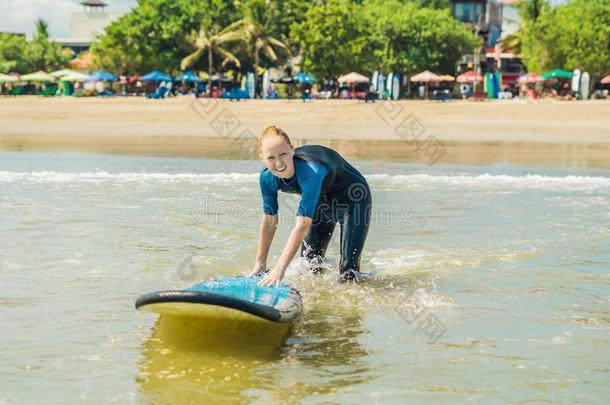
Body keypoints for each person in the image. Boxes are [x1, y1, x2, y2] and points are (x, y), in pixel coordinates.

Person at [249, 125, 372, 286]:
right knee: (310, 265)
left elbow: (301, 226)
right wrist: (260, 264)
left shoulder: (311, 172)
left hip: (354, 200)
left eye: (283, 154)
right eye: (271, 158)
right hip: (321, 204)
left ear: (292, 151)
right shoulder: (266, 178)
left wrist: (279, 269)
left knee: (348, 272)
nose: (279, 163)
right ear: (262, 158)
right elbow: (269, 220)